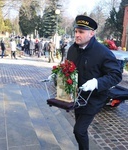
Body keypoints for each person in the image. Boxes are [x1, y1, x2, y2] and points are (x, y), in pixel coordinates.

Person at [67, 15, 122, 150]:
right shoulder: (72, 49)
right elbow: (68, 67)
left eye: (81, 32)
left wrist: (97, 83)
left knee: (78, 130)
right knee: (80, 129)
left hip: (94, 98)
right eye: (76, 31)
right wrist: (58, 75)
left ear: (92, 33)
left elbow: (116, 75)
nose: (77, 35)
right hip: (78, 97)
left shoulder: (103, 52)